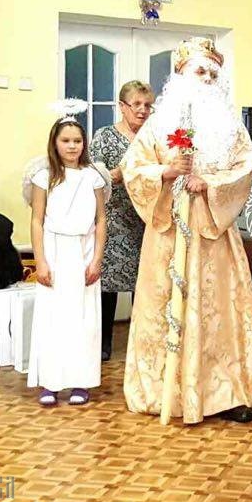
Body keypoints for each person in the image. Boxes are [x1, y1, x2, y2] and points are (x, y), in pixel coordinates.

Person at [121, 37, 252, 424]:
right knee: (164, 310)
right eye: (201, 71)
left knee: (220, 316)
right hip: (168, 235)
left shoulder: (231, 127)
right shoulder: (158, 124)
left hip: (213, 236)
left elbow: (245, 167)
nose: (208, 79)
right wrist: (166, 172)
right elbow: (133, 168)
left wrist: (210, 183)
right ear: (181, 75)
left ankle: (222, 394)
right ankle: (162, 392)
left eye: (214, 74)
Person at [27, 114, 107, 406]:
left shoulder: (93, 177)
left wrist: (96, 259)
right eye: (66, 141)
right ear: (55, 143)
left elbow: (101, 220)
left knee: (83, 319)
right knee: (53, 318)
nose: (72, 146)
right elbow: (37, 220)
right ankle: (50, 381)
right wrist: (41, 261)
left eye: (77, 141)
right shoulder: (43, 177)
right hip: (54, 250)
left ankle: (80, 381)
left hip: (83, 250)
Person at [90, 80, 155, 361]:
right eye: (136, 104)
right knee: (107, 285)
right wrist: (117, 174)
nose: (142, 110)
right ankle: (102, 343)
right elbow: (93, 177)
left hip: (147, 221)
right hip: (113, 220)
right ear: (122, 106)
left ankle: (142, 345)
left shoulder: (154, 138)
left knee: (145, 284)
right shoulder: (104, 136)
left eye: (147, 105)